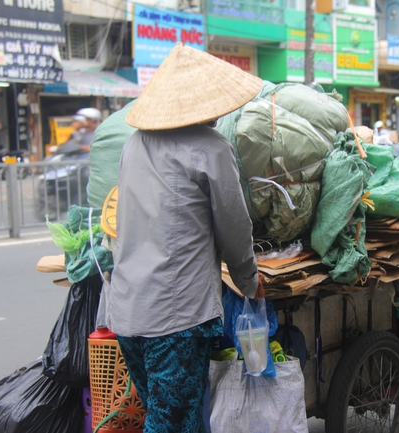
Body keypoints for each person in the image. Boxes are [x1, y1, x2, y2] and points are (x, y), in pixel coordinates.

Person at [109, 43, 264, 433]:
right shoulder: (211, 148)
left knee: (174, 417)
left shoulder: (134, 144)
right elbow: (234, 227)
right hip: (174, 318)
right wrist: (249, 282)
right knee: (172, 423)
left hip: (128, 312)